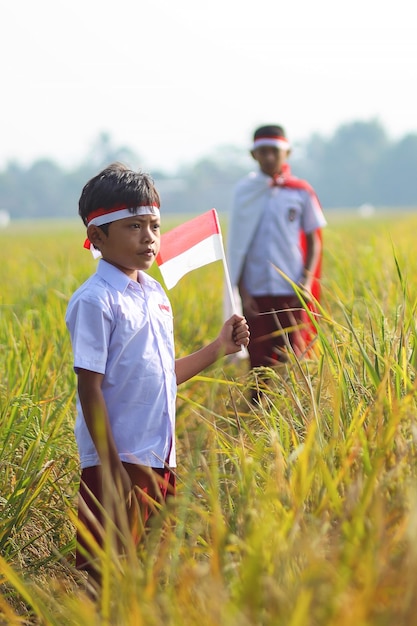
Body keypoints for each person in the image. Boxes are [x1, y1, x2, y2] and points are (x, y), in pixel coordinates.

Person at [65, 162, 249, 587]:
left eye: (154, 225)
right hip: (116, 462)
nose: (149, 237)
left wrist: (220, 346)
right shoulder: (95, 300)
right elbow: (88, 387)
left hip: (159, 460)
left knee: (148, 577)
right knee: (104, 580)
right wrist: (111, 471)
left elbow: (164, 374)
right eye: (133, 226)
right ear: (97, 237)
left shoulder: (153, 293)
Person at [227, 124, 327, 371]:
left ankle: (292, 408)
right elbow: (238, 246)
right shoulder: (244, 192)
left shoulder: (301, 192)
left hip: (290, 288)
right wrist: (243, 291)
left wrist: (305, 280)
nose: (269, 157)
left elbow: (314, 240)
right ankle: (256, 406)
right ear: (254, 155)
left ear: (287, 153)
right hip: (256, 290)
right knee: (258, 358)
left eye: (275, 151)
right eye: (263, 151)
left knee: (291, 354)